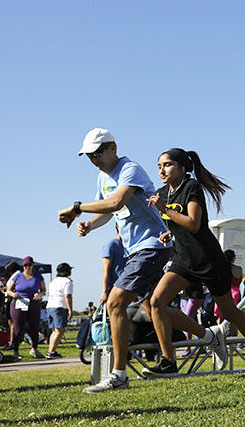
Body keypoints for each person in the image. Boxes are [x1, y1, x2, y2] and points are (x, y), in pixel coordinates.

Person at [58, 128, 173, 392]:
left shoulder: (130, 170)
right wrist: (89, 224)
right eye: (89, 156)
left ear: (113, 148)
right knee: (153, 306)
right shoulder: (103, 177)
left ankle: (119, 374)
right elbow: (108, 211)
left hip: (152, 245)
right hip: (136, 250)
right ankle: (209, 336)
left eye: (98, 153)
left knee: (115, 302)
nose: (94, 160)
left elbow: (115, 202)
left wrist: (76, 208)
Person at [144, 148, 245, 376]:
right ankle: (169, 361)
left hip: (209, 260)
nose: (162, 170)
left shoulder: (191, 187)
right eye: (159, 166)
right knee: (156, 302)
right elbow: (180, 226)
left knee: (230, 312)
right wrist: (170, 233)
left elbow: (193, 223)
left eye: (168, 165)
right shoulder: (163, 192)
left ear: (182, 168)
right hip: (183, 260)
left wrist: (165, 210)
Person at [5, 256, 45, 359]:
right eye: (25, 265)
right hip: (19, 303)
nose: (27, 267)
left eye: (29, 265)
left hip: (33, 303)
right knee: (18, 327)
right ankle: (16, 350)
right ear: (22, 266)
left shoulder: (38, 276)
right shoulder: (18, 276)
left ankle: (34, 349)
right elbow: (8, 290)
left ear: (32, 265)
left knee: (34, 327)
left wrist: (39, 295)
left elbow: (43, 290)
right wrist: (13, 294)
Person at [45, 262, 74, 358]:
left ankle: (50, 351)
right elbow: (68, 296)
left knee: (55, 330)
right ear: (67, 272)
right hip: (60, 307)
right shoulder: (67, 281)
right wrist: (70, 310)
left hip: (50, 306)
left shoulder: (53, 281)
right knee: (59, 330)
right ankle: (51, 352)